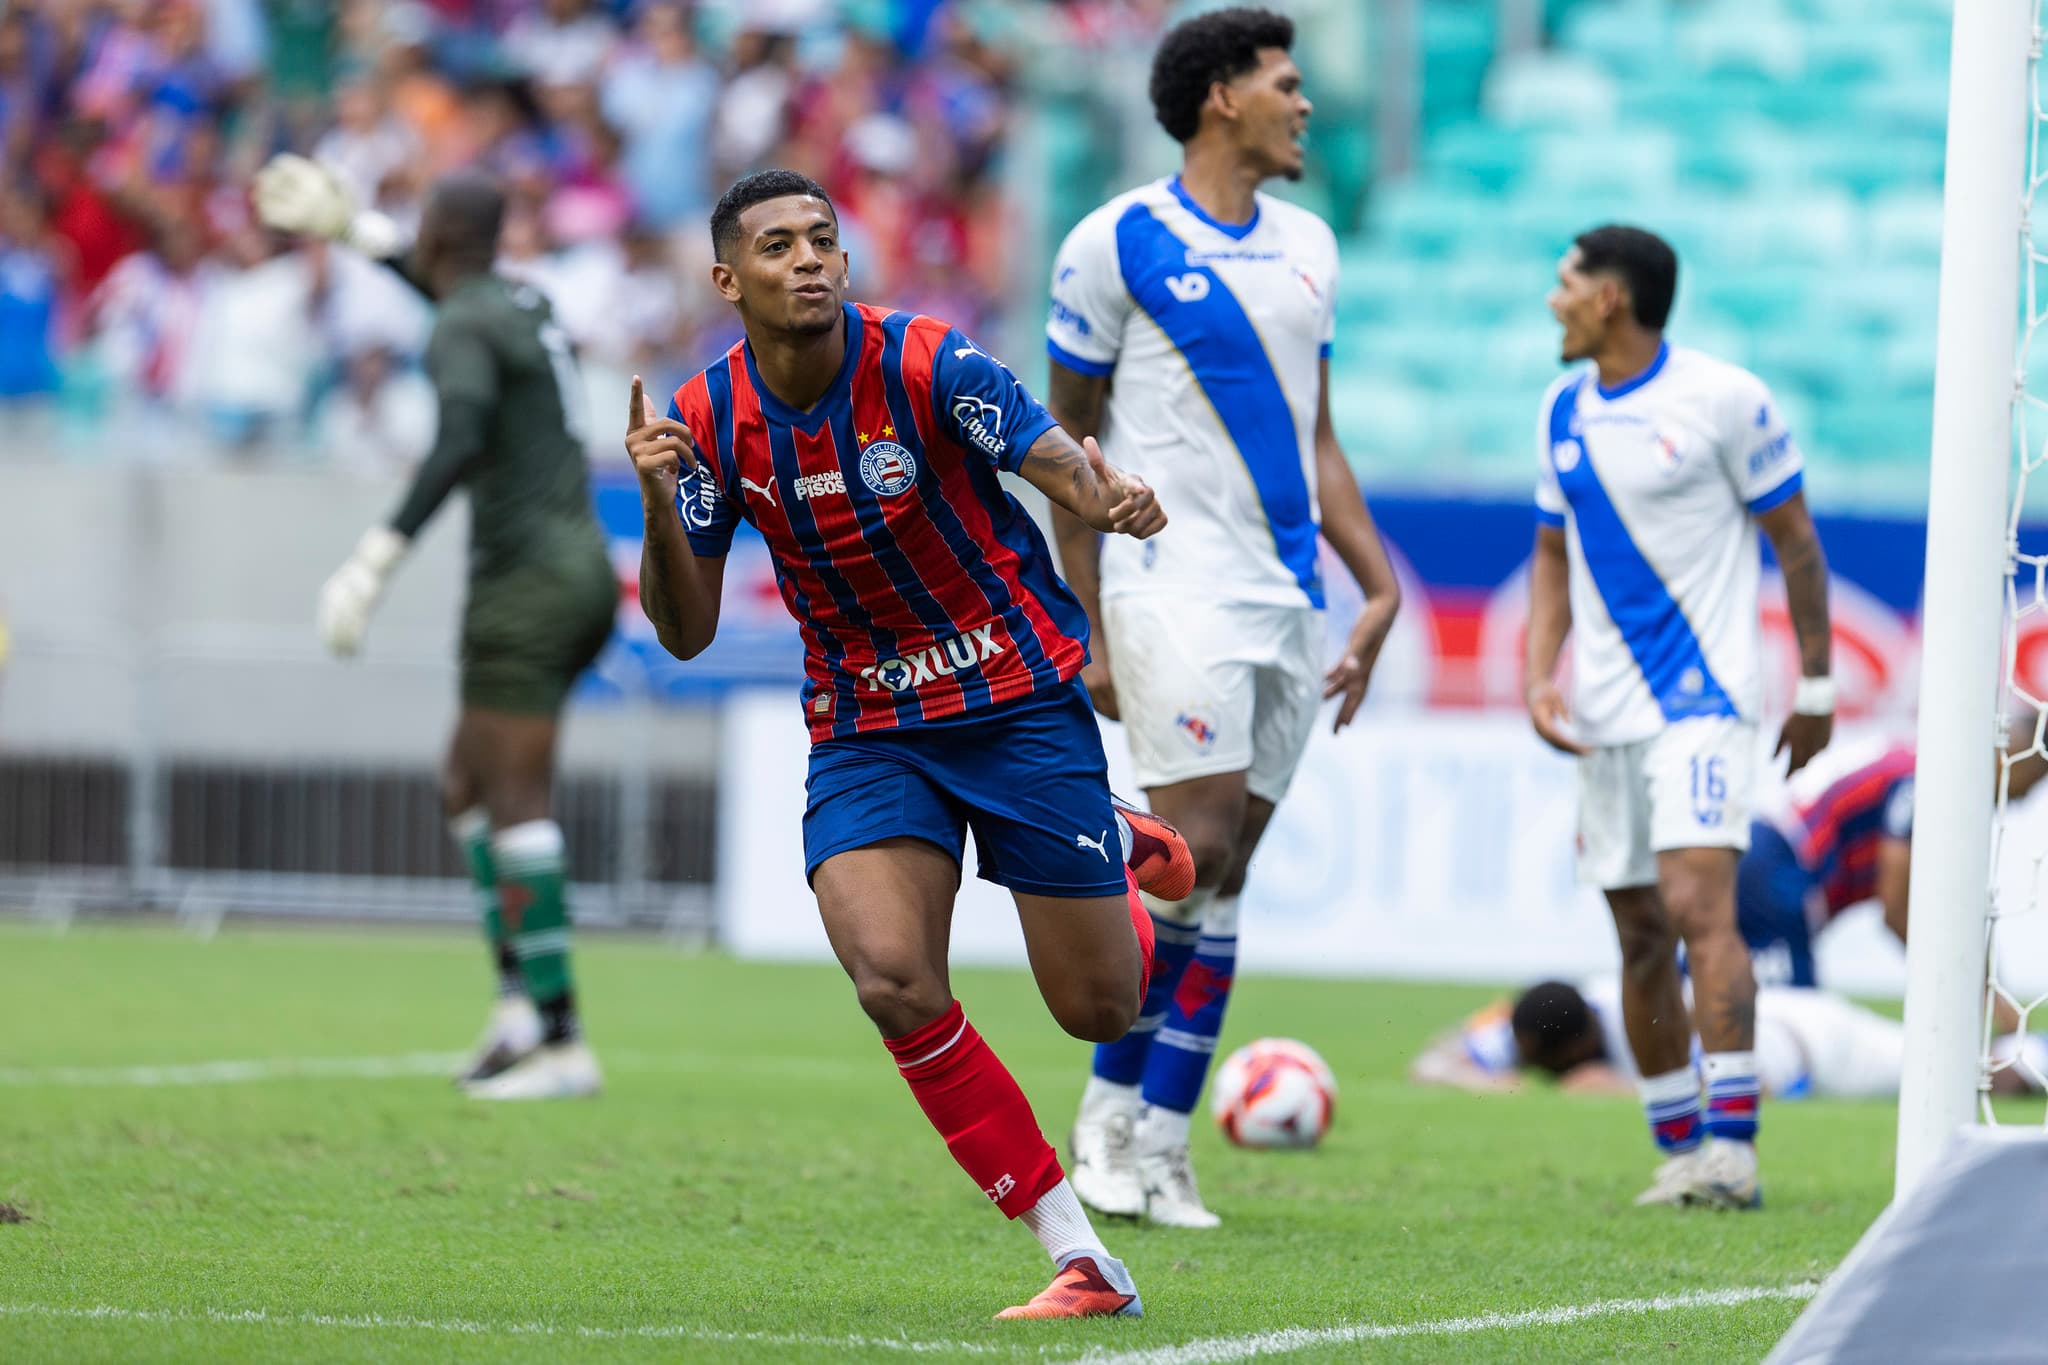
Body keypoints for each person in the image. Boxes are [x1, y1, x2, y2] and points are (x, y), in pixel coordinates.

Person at [628, 169, 1197, 1321]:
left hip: (1014, 700)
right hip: (868, 728)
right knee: (890, 978)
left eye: (824, 241)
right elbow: (682, 634)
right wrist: (653, 499)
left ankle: (1112, 841)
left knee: (1096, 1008)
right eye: (779, 245)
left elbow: (1044, 453)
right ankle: (1079, 1256)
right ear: (728, 280)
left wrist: (1103, 494)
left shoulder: (926, 361)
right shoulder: (702, 422)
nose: (809, 260)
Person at [1043, 5, 1402, 1230]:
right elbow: (1065, 448)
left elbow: (1318, 435)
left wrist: (1380, 580)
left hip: (1288, 594)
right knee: (1190, 841)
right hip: (1168, 583)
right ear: (1219, 98)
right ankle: (1098, 1123)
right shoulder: (1114, 241)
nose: (1305, 103)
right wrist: (1081, 611)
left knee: (1225, 873)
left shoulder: (1309, 244)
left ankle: (1159, 1141)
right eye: (1285, 83)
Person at [253, 157, 616, 1100]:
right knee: (465, 781)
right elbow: (445, 290)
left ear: (439, 237)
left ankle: (562, 1039)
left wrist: (375, 556)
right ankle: (514, 1009)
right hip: (573, 569)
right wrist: (353, 230)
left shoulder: (465, 320)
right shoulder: (518, 301)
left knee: (516, 797)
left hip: (525, 584)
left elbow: (457, 436)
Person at [1525, 224, 1835, 1209]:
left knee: (1700, 908)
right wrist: (1540, 673)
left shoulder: (1722, 400)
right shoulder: (1558, 410)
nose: (1552, 299)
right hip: (1603, 714)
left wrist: (1817, 688)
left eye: (1565, 282)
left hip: (1702, 702)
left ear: (1609, 296)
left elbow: (1794, 544)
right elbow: (1546, 553)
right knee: (1633, 931)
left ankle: (1732, 1149)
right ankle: (1676, 1146)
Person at [1738, 725, 2048, 993]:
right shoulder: (1923, 783)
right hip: (1775, 870)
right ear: (2009, 757)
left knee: (1717, 995)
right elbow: (1897, 908)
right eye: (2029, 784)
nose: (2019, 800)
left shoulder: (1920, 764)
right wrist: (1961, 988)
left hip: (1761, 854)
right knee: (1788, 1019)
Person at [1410, 976, 2048, 1104]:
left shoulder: (1655, 1024)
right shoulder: (1552, 1015)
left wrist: (1627, 1092)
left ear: (1574, 1052)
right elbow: (1433, 1059)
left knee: (1968, 1073)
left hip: (1810, 1043)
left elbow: (1756, 1084)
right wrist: (1489, 1078)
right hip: (1781, 1022)